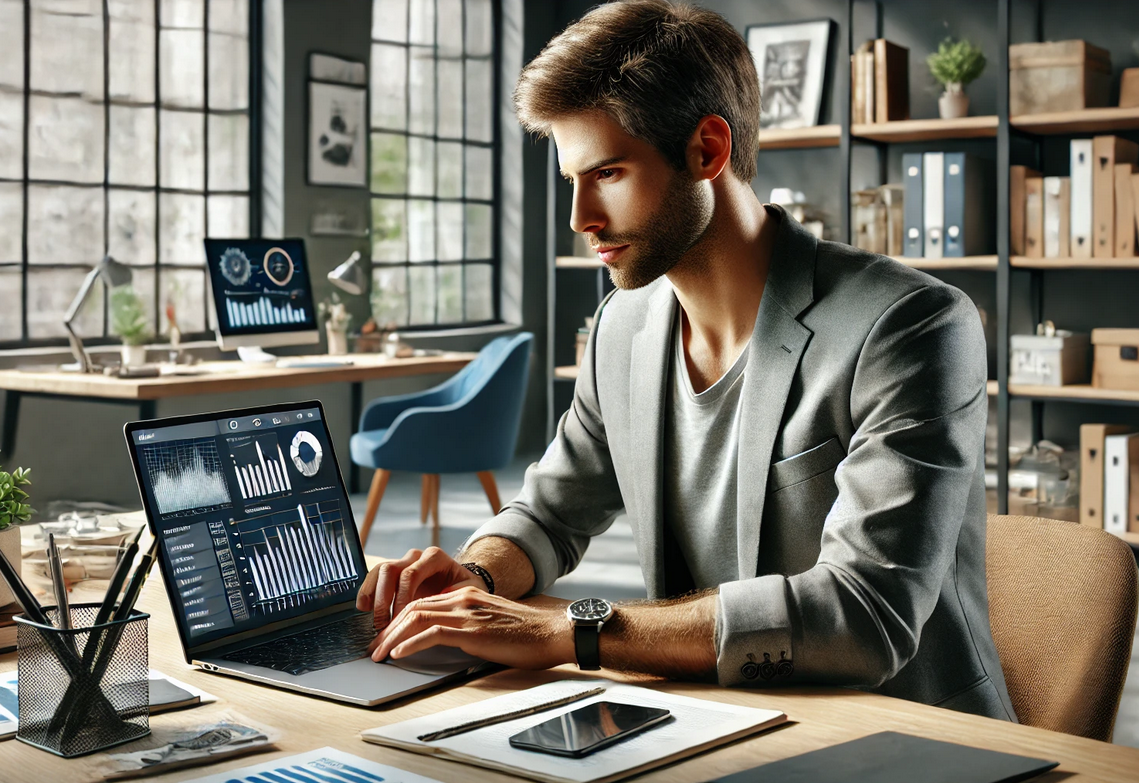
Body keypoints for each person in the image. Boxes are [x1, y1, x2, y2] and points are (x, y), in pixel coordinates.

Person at [357, 0, 1016, 721]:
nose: (579, 218)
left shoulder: (910, 325)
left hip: (907, 740)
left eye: (606, 173)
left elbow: (863, 614)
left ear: (707, 149)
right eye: (571, 178)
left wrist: (568, 630)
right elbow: (550, 510)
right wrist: (477, 573)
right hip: (711, 717)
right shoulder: (623, 325)